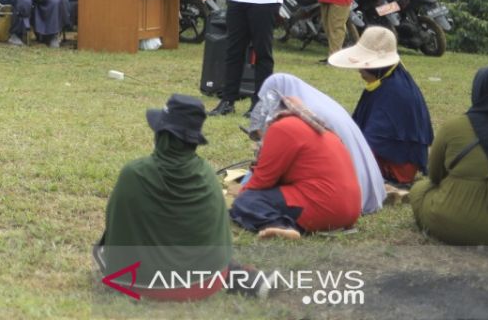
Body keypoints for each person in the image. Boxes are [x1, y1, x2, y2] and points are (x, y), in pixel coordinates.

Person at [96, 95, 262, 302]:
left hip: (144, 285)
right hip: (207, 282)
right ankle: (243, 276)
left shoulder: (134, 174)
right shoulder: (207, 174)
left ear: (162, 134)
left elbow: (116, 234)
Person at [247, 73, 385, 216]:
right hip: (352, 188)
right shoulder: (319, 104)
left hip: (334, 193)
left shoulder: (302, 118)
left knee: (252, 200)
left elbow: (268, 175)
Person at [231, 93, 362, 238]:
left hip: (325, 208)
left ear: (266, 121)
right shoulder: (317, 126)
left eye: (259, 135)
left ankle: (280, 226)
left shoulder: (281, 128)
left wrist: (240, 195)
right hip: (350, 212)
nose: (261, 140)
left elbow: (263, 180)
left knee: (247, 201)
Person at [409, 66, 488, 245]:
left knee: (419, 189)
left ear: (480, 90)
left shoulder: (454, 127)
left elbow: (434, 175)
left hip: (452, 223)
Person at [328, 26, 434, 186]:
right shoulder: (388, 81)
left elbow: (372, 142)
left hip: (395, 166)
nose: (359, 70)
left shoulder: (393, 91)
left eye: (363, 65)